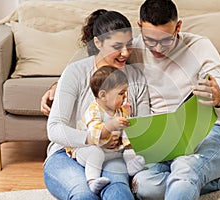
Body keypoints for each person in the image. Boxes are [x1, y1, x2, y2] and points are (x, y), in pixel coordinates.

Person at [41, 1, 220, 199]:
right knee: (142, 186)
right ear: (140, 27)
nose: (157, 48)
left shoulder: (199, 48)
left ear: (178, 27)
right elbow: (91, 64)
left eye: (166, 40)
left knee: (184, 169)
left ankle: (197, 175)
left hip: (206, 132)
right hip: (157, 140)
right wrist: (58, 87)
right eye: (150, 40)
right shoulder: (132, 49)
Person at [43, 9, 150, 200]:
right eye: (117, 46)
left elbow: (143, 130)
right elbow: (55, 129)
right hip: (67, 153)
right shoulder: (76, 72)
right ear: (98, 43)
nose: (125, 53)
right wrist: (97, 137)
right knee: (84, 195)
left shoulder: (136, 79)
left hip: (113, 156)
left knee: (119, 193)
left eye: (129, 45)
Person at [69, 65, 145, 194]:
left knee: (128, 148)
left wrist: (130, 142)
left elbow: (126, 132)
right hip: (86, 150)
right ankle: (92, 181)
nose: (124, 98)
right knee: (95, 153)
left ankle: (131, 166)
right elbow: (94, 135)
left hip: (110, 151)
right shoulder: (93, 110)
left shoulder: (120, 111)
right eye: (121, 94)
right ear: (103, 95)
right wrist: (111, 126)